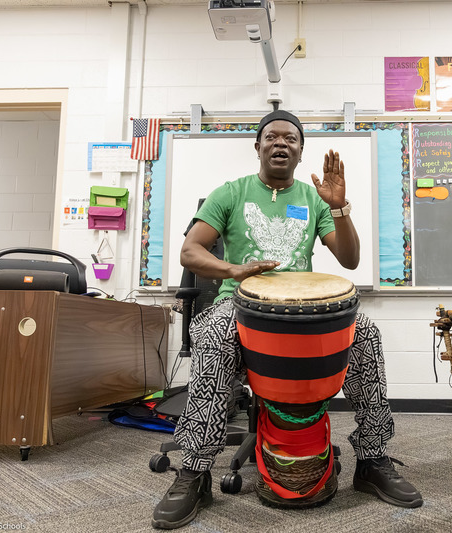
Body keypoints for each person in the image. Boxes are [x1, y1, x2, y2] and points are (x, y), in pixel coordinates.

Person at [151, 110, 422, 530]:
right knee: (216, 335)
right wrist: (233, 270)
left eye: (290, 139)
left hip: (305, 314)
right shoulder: (231, 193)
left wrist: (341, 209)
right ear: (257, 146)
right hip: (238, 307)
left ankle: (371, 460)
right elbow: (190, 253)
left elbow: (349, 259)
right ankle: (195, 471)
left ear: (300, 150)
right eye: (272, 137)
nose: (281, 143)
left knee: (365, 333)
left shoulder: (315, 200)